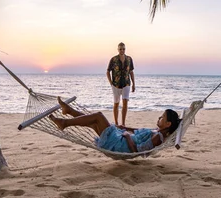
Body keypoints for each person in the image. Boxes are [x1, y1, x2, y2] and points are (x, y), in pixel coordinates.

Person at [49, 97, 181, 154]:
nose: (159, 118)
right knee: (92, 121)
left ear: (168, 124)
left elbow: (138, 150)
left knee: (98, 116)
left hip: (121, 144)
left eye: (162, 117)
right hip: (121, 138)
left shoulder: (158, 137)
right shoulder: (157, 131)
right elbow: (137, 132)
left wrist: (126, 136)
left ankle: (64, 123)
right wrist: (126, 128)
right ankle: (69, 111)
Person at [106, 42, 135, 126]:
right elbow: (108, 71)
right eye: (120, 49)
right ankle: (116, 123)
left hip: (126, 83)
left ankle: (123, 124)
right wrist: (111, 82)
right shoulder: (113, 59)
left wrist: (134, 84)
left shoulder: (129, 59)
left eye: (123, 49)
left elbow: (131, 72)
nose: (122, 50)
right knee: (116, 104)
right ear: (118, 49)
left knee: (125, 103)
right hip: (116, 85)